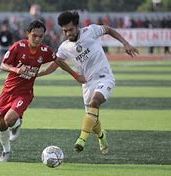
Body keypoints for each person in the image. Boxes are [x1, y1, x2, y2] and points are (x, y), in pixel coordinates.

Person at [38, 11, 138, 155]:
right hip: (87, 83)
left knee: (95, 102)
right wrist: (37, 74)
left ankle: (81, 139)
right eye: (65, 31)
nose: (68, 33)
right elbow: (55, 64)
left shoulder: (90, 31)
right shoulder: (64, 47)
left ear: (77, 26)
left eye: (70, 30)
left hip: (105, 77)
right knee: (92, 117)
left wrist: (126, 43)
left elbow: (108, 30)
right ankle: (102, 136)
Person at [0, 20, 85, 163]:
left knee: (9, 119)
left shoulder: (45, 51)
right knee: (2, 123)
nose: (37, 39)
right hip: (8, 91)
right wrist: (17, 69)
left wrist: (75, 75)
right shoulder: (18, 47)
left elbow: (59, 61)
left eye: (40, 36)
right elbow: (3, 65)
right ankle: (6, 150)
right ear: (27, 34)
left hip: (25, 92)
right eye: (34, 36)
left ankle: (16, 123)